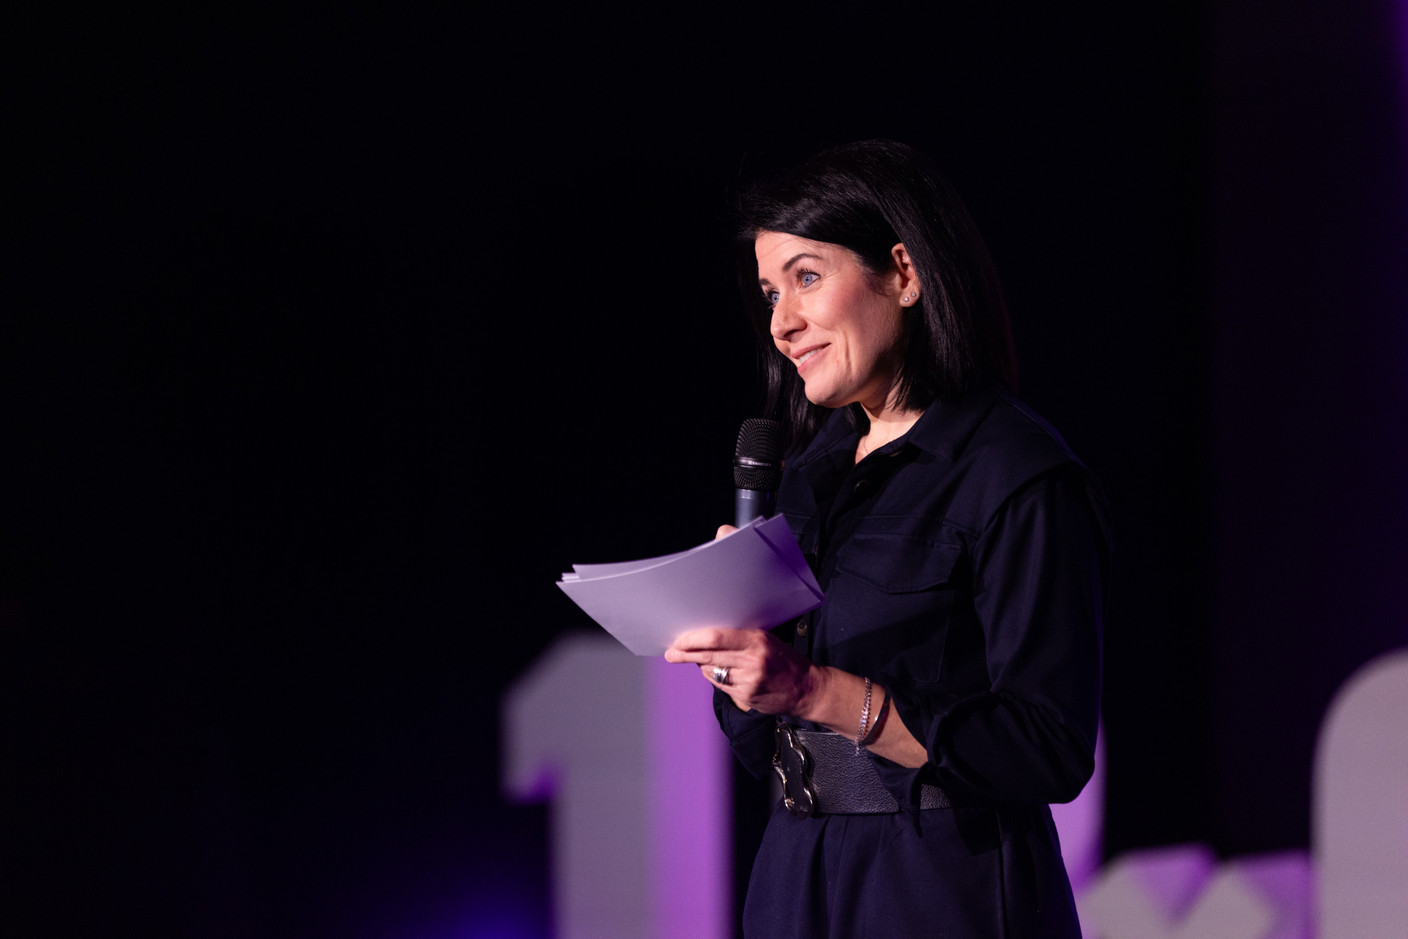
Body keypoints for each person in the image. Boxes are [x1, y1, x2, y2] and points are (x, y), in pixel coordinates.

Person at [664, 139, 1111, 938]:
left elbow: (1049, 745)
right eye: (770, 293)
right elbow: (759, 741)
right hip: (796, 875)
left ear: (904, 273)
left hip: (942, 881)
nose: (782, 323)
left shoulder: (1014, 472)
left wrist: (812, 689)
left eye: (806, 277)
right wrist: (744, 653)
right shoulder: (809, 475)